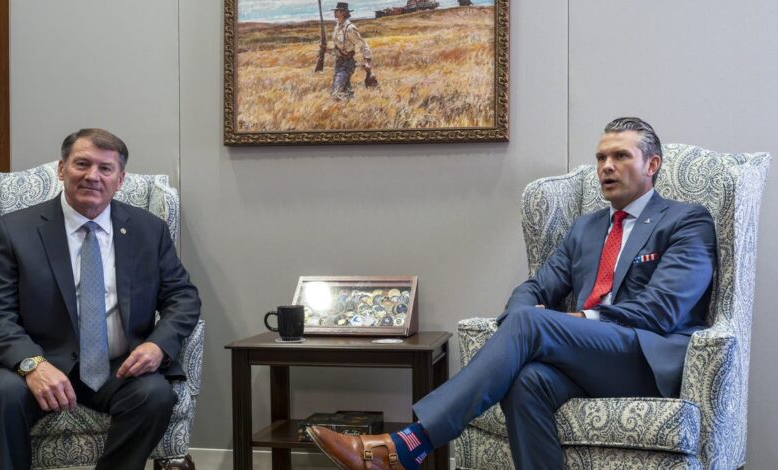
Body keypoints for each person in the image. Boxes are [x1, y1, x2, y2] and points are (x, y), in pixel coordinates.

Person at [307, 117, 717, 470]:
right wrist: (521, 322)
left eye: (621, 156)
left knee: (531, 325)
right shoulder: (586, 229)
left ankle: (408, 445)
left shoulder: (686, 221)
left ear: (652, 165)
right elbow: (535, 288)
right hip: (588, 357)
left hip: (645, 358)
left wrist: (571, 321)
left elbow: (663, 310)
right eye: (600, 158)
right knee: (525, 381)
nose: (606, 167)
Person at [0, 128, 201, 470]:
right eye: (82, 164)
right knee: (3, 394)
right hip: (41, 361)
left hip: (117, 366)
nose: (93, 176)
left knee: (155, 396)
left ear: (119, 179)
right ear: (62, 169)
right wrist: (32, 364)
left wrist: (157, 345)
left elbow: (183, 297)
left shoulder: (148, 230)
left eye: (105, 169)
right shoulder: (14, 229)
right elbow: (0, 312)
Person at [324, 2, 373, 100]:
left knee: (336, 92)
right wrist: (327, 50)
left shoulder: (350, 29)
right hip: (339, 62)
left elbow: (362, 45)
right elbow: (339, 49)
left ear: (342, 12)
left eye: (337, 10)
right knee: (347, 92)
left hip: (347, 64)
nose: (335, 12)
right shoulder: (337, 26)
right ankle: (353, 109)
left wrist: (367, 61)